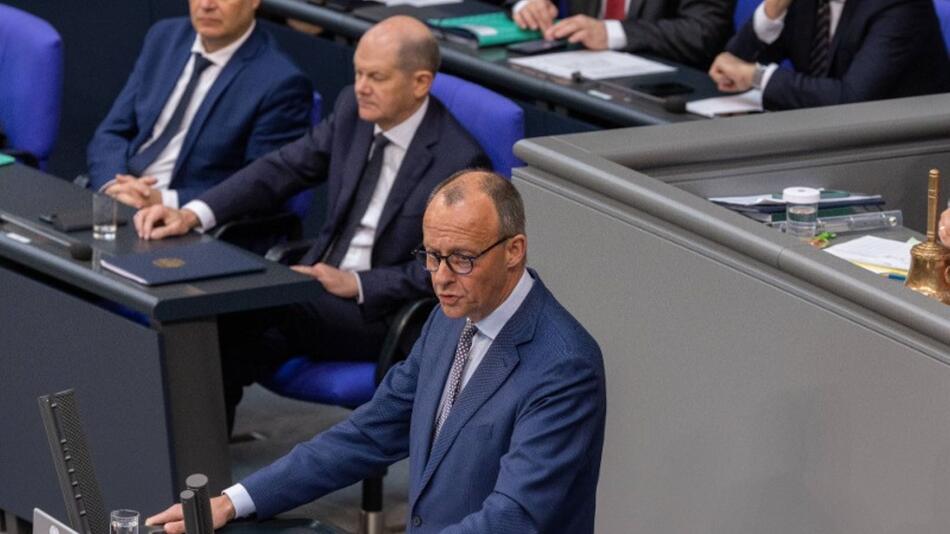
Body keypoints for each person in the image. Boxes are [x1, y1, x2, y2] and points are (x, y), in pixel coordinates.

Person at [145, 170, 606, 533]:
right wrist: (236, 499)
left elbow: (512, 519)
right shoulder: (449, 320)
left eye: (462, 258)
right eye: (431, 255)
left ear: (514, 251)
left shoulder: (564, 365)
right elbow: (367, 433)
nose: (440, 278)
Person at [133, 16, 491, 429]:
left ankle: (194, 453)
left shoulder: (459, 161)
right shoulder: (353, 114)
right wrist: (192, 212)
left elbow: (449, 272)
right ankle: (199, 450)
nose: (361, 87)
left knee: (237, 312)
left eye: (376, 77)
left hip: (380, 311)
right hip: (313, 286)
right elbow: (280, 170)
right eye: (358, 72)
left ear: (420, 83)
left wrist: (357, 284)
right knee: (228, 334)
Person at [87, 0, 313, 209]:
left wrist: (164, 200)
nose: (206, 5)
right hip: (120, 196)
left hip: (190, 223)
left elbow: (257, 187)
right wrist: (113, 184)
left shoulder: (280, 82)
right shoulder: (164, 37)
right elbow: (112, 132)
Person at [709, 0, 950, 111]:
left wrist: (757, 76)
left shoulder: (900, 6)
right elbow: (730, 69)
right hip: (823, 133)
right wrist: (772, 10)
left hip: (903, 149)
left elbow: (851, 99)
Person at [512, 0, 735, 68]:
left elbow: (702, 32)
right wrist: (527, 4)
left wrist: (610, 32)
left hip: (665, 90)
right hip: (578, 70)